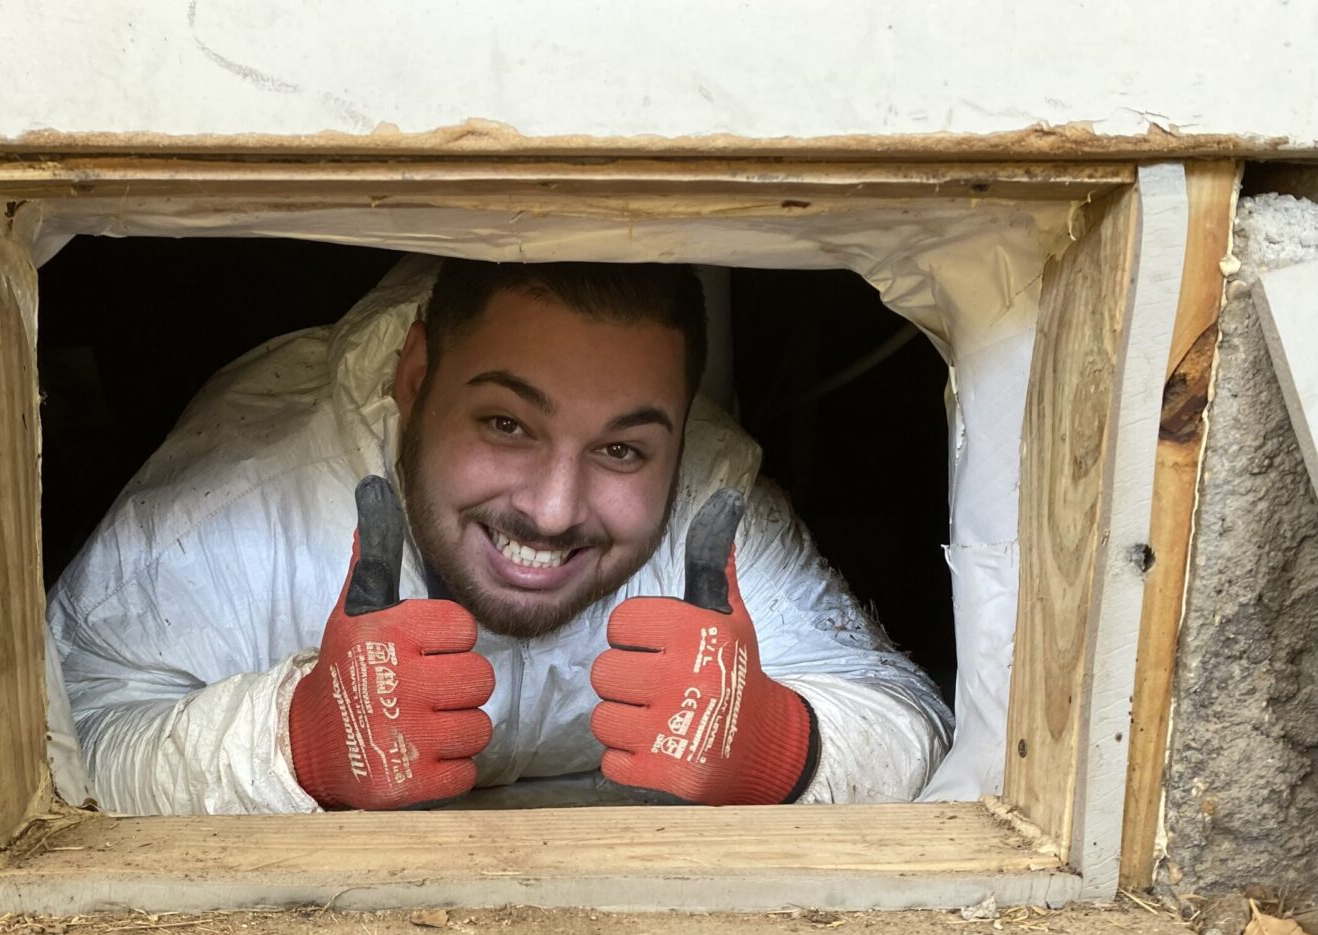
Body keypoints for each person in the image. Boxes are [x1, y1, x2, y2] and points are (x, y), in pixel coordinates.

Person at [46, 258, 952, 815]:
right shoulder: (239, 505)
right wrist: (293, 743)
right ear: (414, 378)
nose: (555, 511)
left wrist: (780, 747)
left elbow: (905, 717)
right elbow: (67, 744)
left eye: (622, 448)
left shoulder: (711, 500)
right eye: (506, 426)